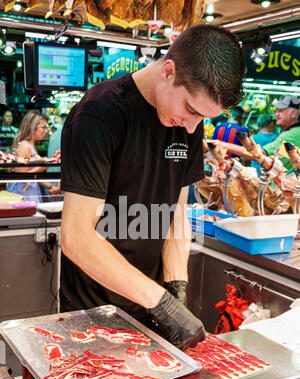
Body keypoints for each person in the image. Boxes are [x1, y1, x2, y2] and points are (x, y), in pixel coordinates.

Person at [60, 24, 245, 350]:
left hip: (148, 308)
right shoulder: (99, 114)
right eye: (190, 109)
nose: (192, 127)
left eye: (202, 118)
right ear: (168, 71)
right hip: (91, 314)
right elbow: (76, 236)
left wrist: (176, 289)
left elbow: (176, 212)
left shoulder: (188, 124)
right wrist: (162, 302)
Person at [212, 95, 300, 176]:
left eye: (281, 111)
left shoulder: (291, 135)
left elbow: (260, 154)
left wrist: (222, 145)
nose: (276, 114)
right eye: (276, 110)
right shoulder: (295, 132)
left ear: (294, 113)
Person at [7, 110, 58, 202]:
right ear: (33, 127)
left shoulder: (29, 145)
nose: (45, 131)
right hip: (23, 196)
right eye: (43, 127)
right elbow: (22, 178)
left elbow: (32, 174)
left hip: (29, 193)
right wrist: (42, 167)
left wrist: (50, 186)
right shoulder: (24, 147)